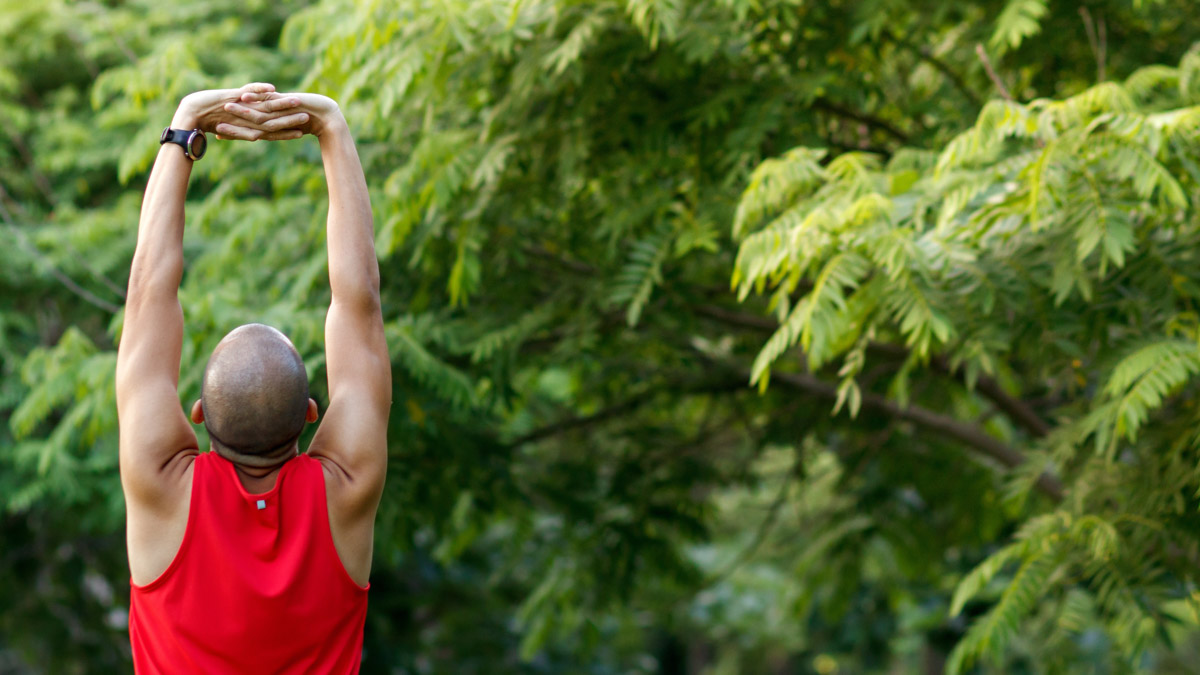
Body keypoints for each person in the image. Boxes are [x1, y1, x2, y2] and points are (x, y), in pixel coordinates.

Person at [115, 82, 391, 673]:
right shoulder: (347, 488)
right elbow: (359, 306)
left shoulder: (162, 489)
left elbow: (147, 294)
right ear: (313, 414)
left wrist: (185, 124)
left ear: (197, 413)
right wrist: (332, 128)